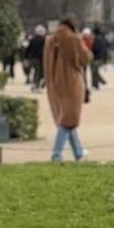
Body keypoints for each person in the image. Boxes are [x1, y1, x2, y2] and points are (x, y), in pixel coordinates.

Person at [44, 18, 92, 162]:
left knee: (67, 118)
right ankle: (57, 154)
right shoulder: (73, 39)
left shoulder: (50, 41)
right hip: (71, 83)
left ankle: (78, 152)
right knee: (67, 120)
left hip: (55, 83)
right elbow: (86, 58)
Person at [24, 25, 46, 90]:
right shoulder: (44, 40)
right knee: (38, 72)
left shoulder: (32, 40)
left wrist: (25, 58)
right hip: (39, 59)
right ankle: (36, 85)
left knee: (33, 71)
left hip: (31, 58)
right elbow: (43, 50)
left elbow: (27, 49)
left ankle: (34, 83)